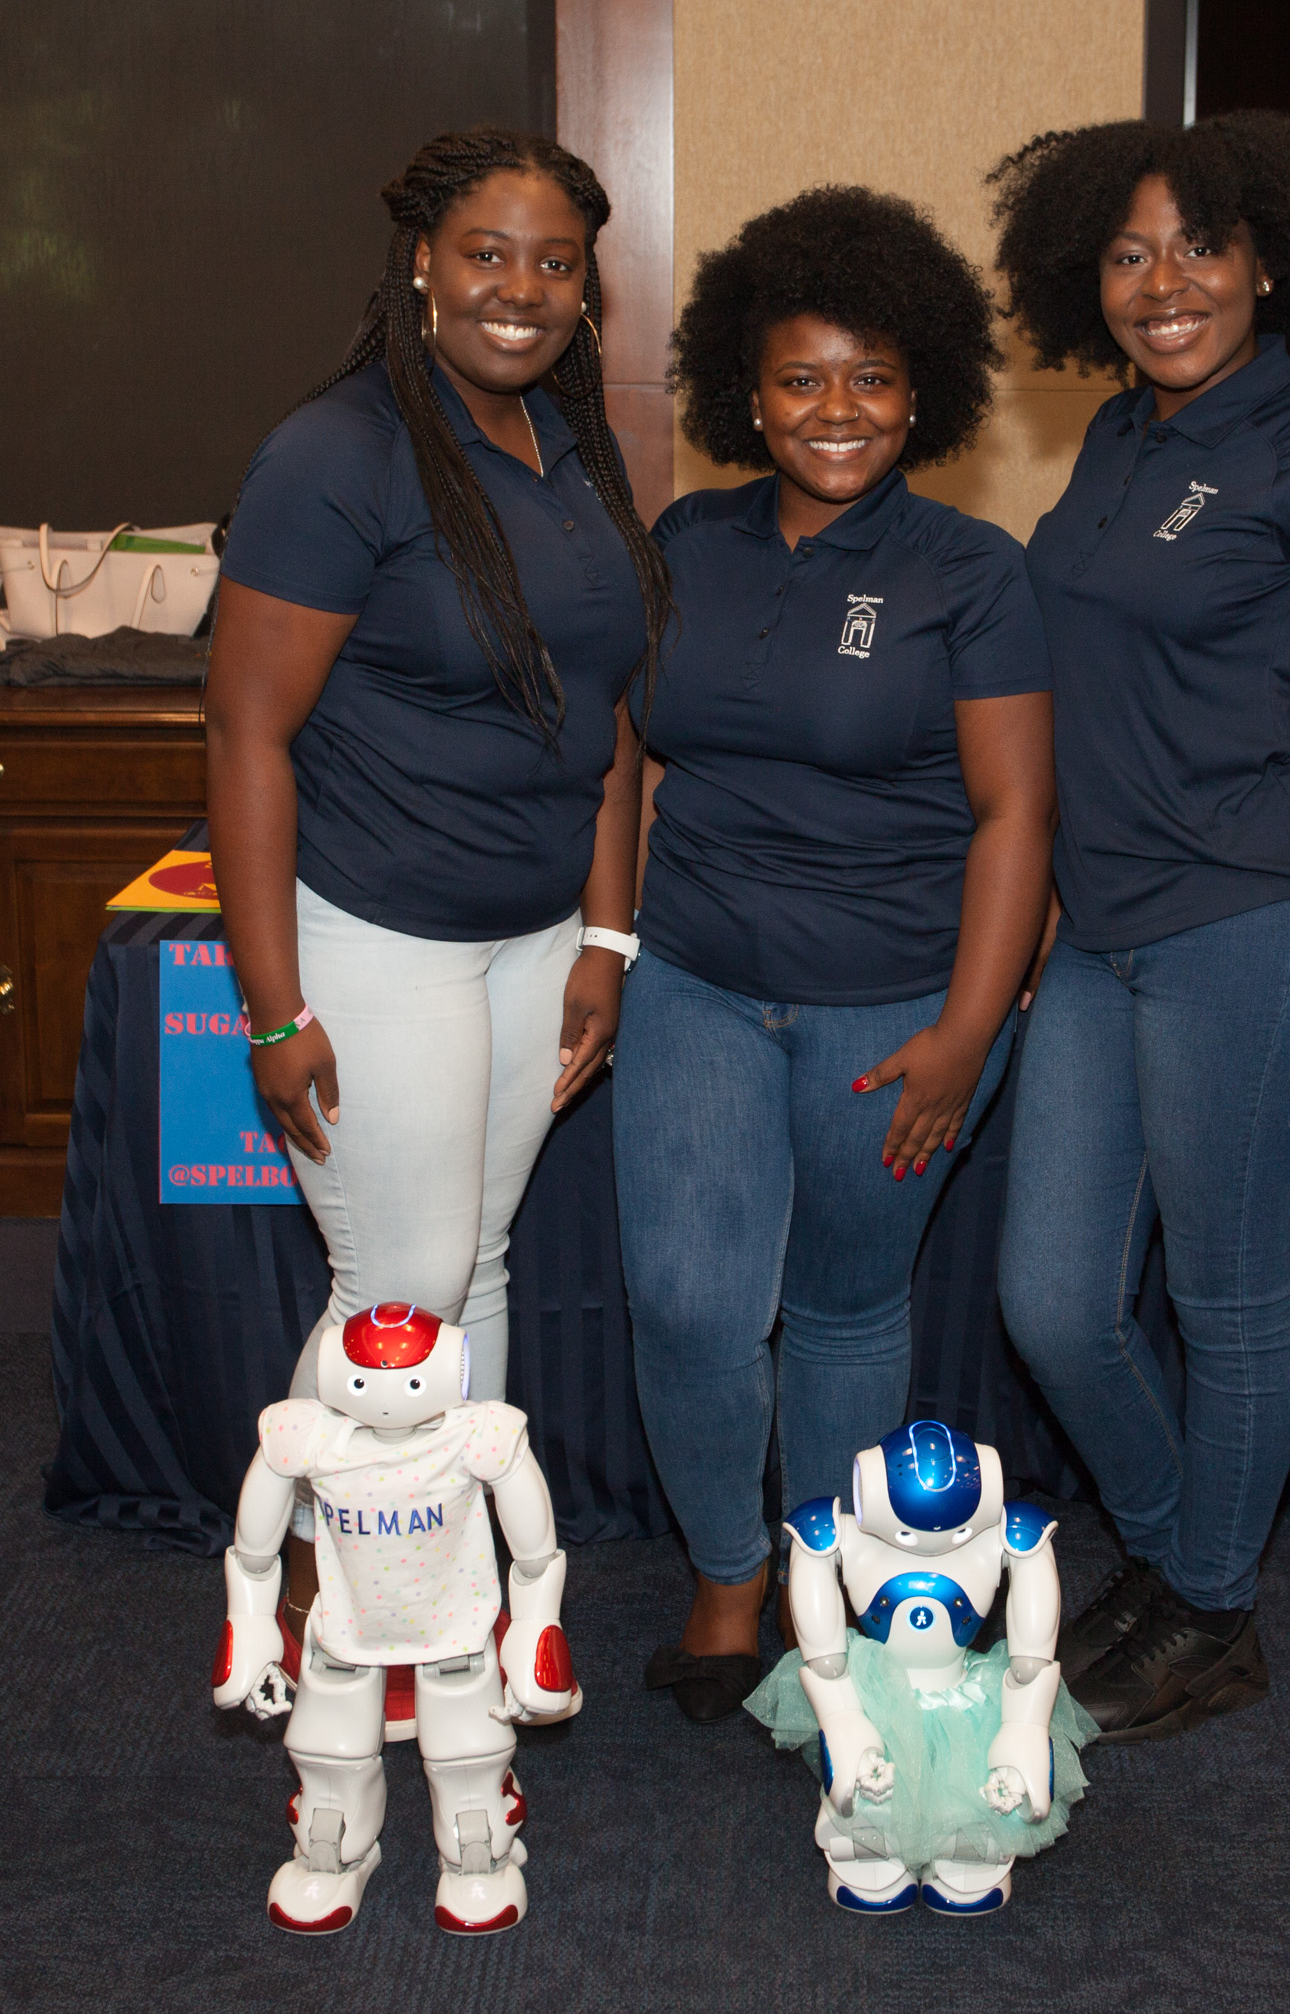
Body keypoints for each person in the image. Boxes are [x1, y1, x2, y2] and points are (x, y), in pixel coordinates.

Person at [206, 126, 671, 1684]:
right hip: (375, 936)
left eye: (555, 262)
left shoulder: (569, 443)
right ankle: (324, 1600)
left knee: (469, 1275)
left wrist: (605, 932)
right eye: (486, 253)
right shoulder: (335, 454)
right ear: (420, 261)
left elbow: (605, 712)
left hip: (533, 939)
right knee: (398, 1294)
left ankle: (436, 1586)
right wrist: (274, 1005)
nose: (518, 290)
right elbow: (247, 734)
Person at [988, 112, 1290, 1740]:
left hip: (1254, 926)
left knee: (1229, 1302)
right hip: (1101, 933)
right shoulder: (1116, 439)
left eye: (1196, 247)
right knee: (1051, 1302)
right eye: (1125, 253)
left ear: (1266, 263)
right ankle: (1184, 1557)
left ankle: (1211, 1610)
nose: (1161, 283)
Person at [614, 187, 1056, 1721]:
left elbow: (1015, 815)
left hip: (899, 1005)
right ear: (747, 395)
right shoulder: (687, 540)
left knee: (850, 1305)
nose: (836, 409)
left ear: (919, 391)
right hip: (696, 980)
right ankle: (728, 1575)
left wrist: (967, 1030)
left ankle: (840, 1583)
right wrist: (610, 937)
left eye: (870, 377)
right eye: (799, 378)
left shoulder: (970, 571)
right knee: (688, 1302)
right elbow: (631, 752)